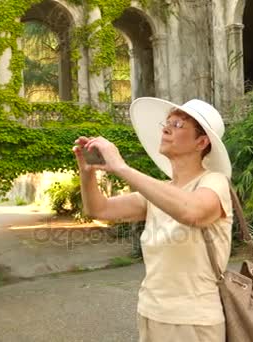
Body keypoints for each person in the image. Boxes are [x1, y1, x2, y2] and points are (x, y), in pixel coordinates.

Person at [73, 97, 233, 342]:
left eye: (179, 125)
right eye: (167, 122)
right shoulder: (159, 191)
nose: (166, 128)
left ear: (201, 142)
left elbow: (192, 212)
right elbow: (99, 210)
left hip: (194, 322)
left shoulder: (214, 183)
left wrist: (121, 167)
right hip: (150, 313)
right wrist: (87, 174)